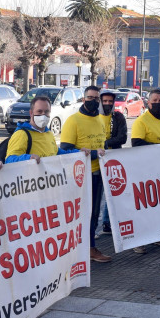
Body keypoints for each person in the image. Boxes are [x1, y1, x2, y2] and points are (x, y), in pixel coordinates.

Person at [60, 86, 111, 262]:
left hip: (97, 174)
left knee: (94, 213)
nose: (93, 101)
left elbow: (101, 144)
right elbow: (65, 149)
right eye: (90, 97)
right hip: (80, 176)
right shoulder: (73, 120)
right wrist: (92, 153)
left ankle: (88, 247)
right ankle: (84, 248)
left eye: (96, 98)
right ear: (83, 99)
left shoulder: (99, 120)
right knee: (82, 213)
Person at [131, 89, 160, 253]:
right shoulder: (141, 121)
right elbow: (136, 143)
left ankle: (158, 236)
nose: (158, 103)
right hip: (146, 169)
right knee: (145, 205)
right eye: (154, 101)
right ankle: (138, 240)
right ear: (148, 103)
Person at [5, 96, 73, 163]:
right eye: (39, 111)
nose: (43, 115)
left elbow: (56, 152)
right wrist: (29, 158)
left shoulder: (48, 133)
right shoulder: (21, 134)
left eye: (46, 111)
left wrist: (79, 153)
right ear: (31, 113)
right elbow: (9, 160)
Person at [98, 89, 127, 235]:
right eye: (105, 101)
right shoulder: (95, 117)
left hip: (114, 159)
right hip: (96, 161)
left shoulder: (118, 117)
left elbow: (123, 137)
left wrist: (105, 143)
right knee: (98, 195)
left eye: (110, 101)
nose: (107, 104)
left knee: (112, 192)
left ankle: (108, 223)